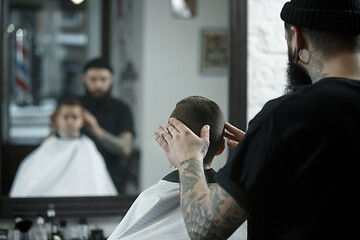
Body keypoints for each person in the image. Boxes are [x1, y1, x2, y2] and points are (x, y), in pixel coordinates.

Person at [154, 0, 360, 239]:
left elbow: (204, 228)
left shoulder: (287, 118)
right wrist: (265, 158)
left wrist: (188, 158)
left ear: (297, 37)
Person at [108, 96, 247, 240]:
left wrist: (188, 157)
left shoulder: (148, 201)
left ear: (170, 143)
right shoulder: (244, 206)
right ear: (221, 148)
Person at [10, 99, 117, 197]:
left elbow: (97, 183)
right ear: (57, 119)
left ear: (82, 121)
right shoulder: (49, 144)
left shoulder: (88, 146)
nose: (70, 121)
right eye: (66, 117)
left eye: (75, 117)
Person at [78, 58, 135, 194]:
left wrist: (97, 131)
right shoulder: (73, 106)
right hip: (77, 176)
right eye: (93, 79)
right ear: (84, 79)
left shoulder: (121, 109)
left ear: (111, 80)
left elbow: (125, 148)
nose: (98, 85)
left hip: (111, 177)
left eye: (103, 79)